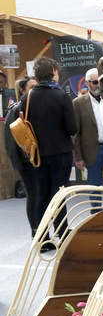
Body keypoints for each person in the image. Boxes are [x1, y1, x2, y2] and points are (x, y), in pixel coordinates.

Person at [21, 57, 76, 249]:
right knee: (59, 195)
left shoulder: (26, 98)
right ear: (53, 72)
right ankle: (62, 234)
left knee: (41, 194)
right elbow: (72, 128)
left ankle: (42, 238)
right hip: (60, 153)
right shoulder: (61, 97)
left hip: (37, 155)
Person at [3, 75, 39, 234]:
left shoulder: (36, 107)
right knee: (33, 195)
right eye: (32, 87)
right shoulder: (16, 109)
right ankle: (34, 229)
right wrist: (19, 163)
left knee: (41, 195)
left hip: (38, 160)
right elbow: (10, 141)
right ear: (23, 90)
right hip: (26, 163)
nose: (35, 90)